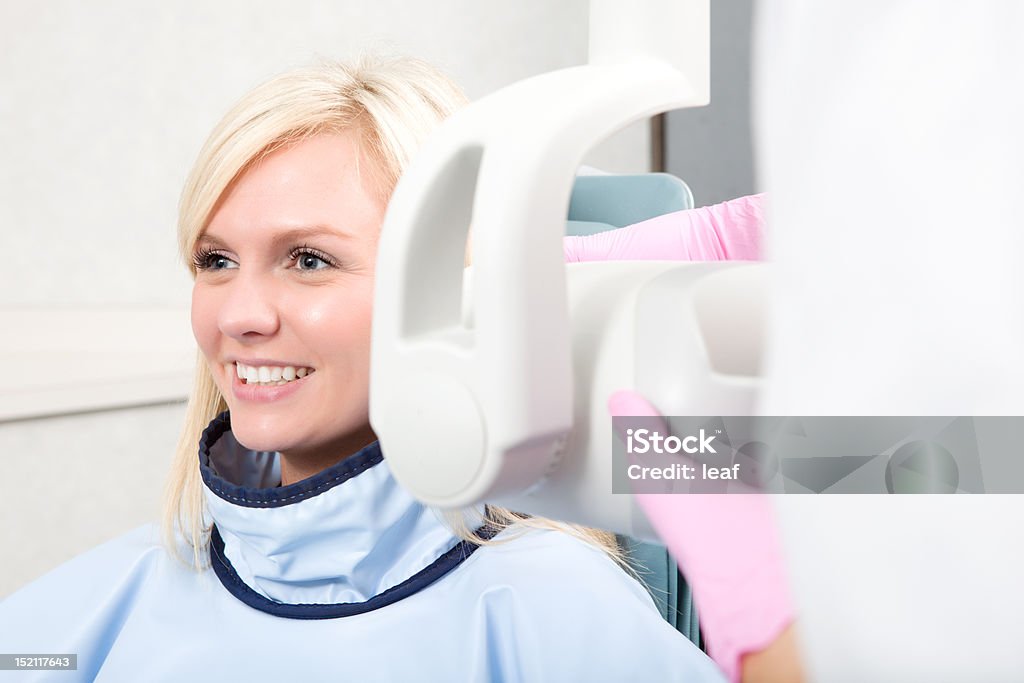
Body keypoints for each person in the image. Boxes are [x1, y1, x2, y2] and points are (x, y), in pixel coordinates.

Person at [0, 56, 725, 682]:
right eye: (216, 260)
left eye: (308, 259)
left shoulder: (553, 613)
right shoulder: (108, 600)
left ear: (458, 290)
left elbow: (829, 464)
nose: (239, 314)